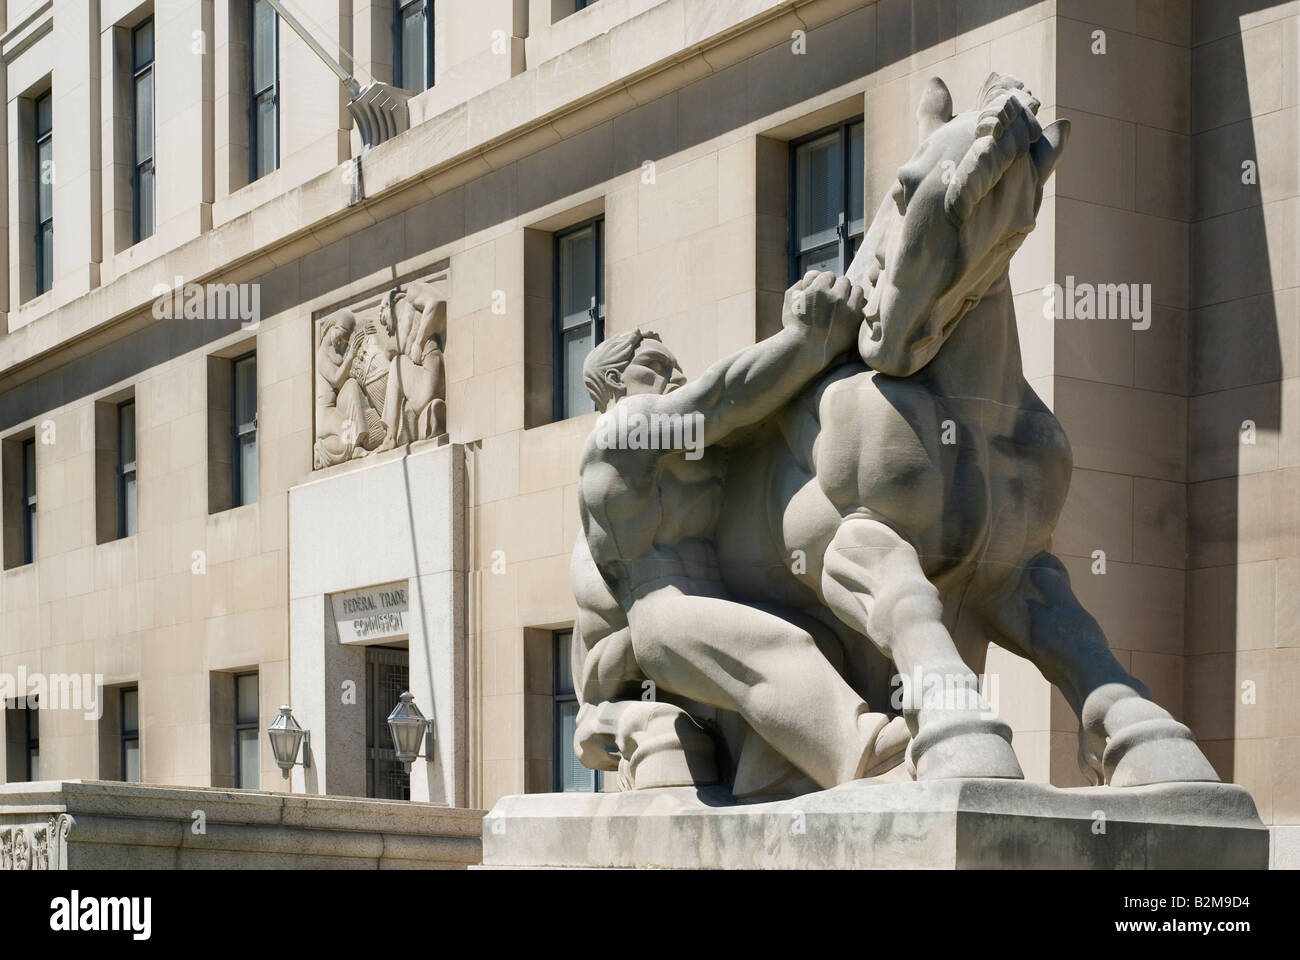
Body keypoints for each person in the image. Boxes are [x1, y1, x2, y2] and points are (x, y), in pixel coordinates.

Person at [573, 271, 907, 794]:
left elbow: (742, 412)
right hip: (664, 611)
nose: (674, 377)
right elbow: (719, 400)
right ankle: (863, 755)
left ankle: (766, 777)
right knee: (780, 642)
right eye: (655, 367)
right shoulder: (618, 436)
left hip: (717, 605)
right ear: (613, 382)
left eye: (676, 368)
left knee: (823, 639)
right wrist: (804, 337)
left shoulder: (690, 457)